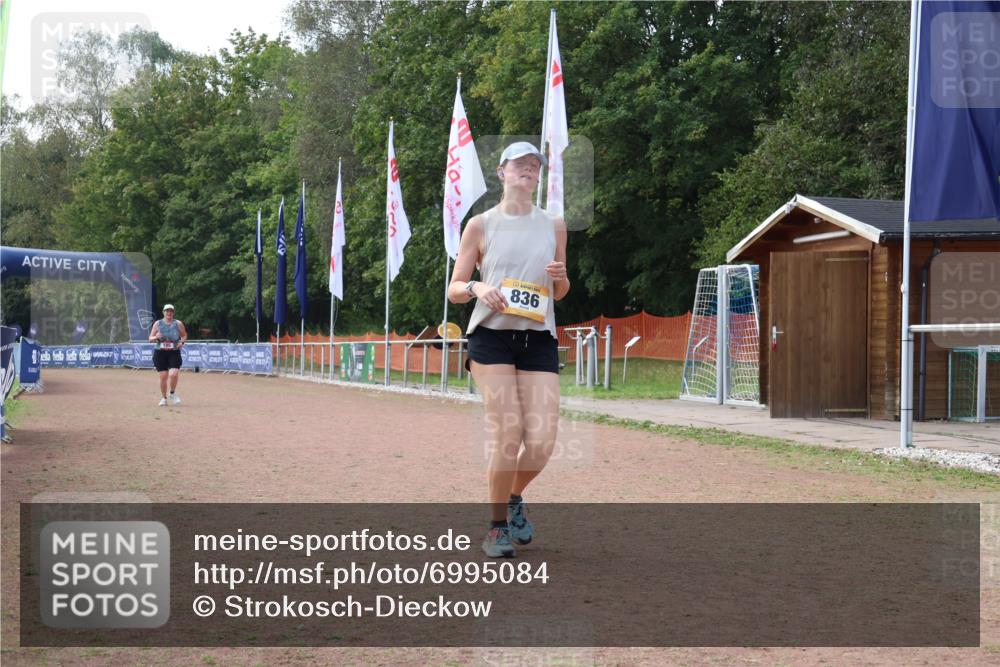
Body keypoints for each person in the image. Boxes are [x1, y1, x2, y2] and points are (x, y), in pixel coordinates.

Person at [448, 141, 570, 558]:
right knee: (510, 431)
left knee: (543, 442)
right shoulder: (480, 225)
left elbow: (561, 290)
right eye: (520, 164)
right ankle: (497, 528)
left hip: (537, 338)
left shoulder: (554, 224)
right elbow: (455, 288)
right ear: (501, 172)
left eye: (535, 166)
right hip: (492, 336)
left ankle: (514, 497)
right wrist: (478, 286)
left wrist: (560, 276)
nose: (528, 170)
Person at [148, 304, 188, 406]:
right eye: (167, 311)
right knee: (163, 376)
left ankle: (172, 393)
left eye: (171, 311)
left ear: (173, 313)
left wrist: (181, 342)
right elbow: (150, 339)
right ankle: (163, 398)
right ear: (163, 312)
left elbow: (184, 335)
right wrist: (156, 337)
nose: (169, 313)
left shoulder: (178, 323)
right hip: (160, 352)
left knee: (173, 374)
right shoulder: (158, 324)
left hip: (174, 351)